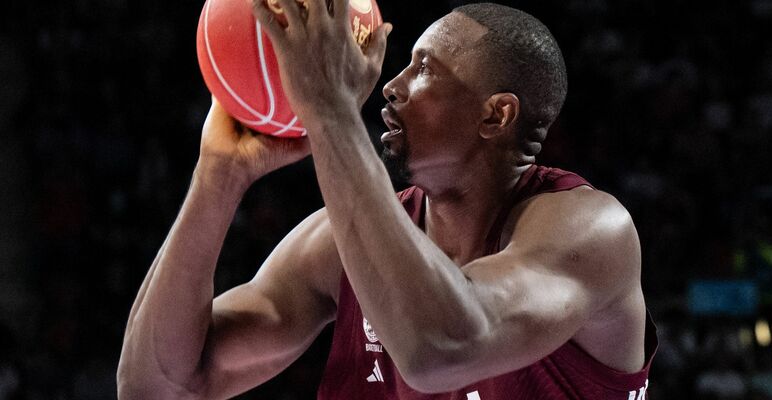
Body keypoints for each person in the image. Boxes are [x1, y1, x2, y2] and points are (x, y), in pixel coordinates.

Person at [117, 1, 656, 399]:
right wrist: (219, 175)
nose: (391, 86)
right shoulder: (337, 241)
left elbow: (443, 348)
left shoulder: (590, 230)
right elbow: (157, 385)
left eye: (423, 68)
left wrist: (330, 110)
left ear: (496, 115)